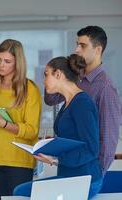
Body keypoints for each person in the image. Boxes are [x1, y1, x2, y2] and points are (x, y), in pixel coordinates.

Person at [14, 54, 103, 199]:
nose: (43, 81)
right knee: (20, 191)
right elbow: (71, 139)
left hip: (84, 179)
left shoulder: (82, 103)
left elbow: (91, 149)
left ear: (58, 74)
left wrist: (55, 160)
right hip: (69, 175)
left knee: (20, 192)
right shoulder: (68, 102)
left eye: (46, 75)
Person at [45, 26, 122, 176]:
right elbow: (51, 99)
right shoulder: (75, 75)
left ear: (98, 50)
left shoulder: (106, 87)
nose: (77, 50)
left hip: (88, 170)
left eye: (83, 45)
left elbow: (109, 137)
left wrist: (98, 172)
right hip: (69, 166)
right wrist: (54, 73)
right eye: (77, 44)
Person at [0, 39, 42, 200]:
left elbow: (32, 131)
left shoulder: (30, 90)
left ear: (17, 63)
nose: (1, 65)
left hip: (19, 160)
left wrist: (3, 123)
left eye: (7, 61)